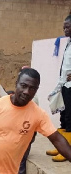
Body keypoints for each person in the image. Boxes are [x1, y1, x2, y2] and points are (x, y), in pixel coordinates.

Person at [47, 14, 71, 162]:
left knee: (70, 119)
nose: (65, 30)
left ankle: (67, 151)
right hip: (64, 85)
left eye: (67, 27)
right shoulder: (68, 43)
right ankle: (61, 147)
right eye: (64, 27)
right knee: (63, 117)